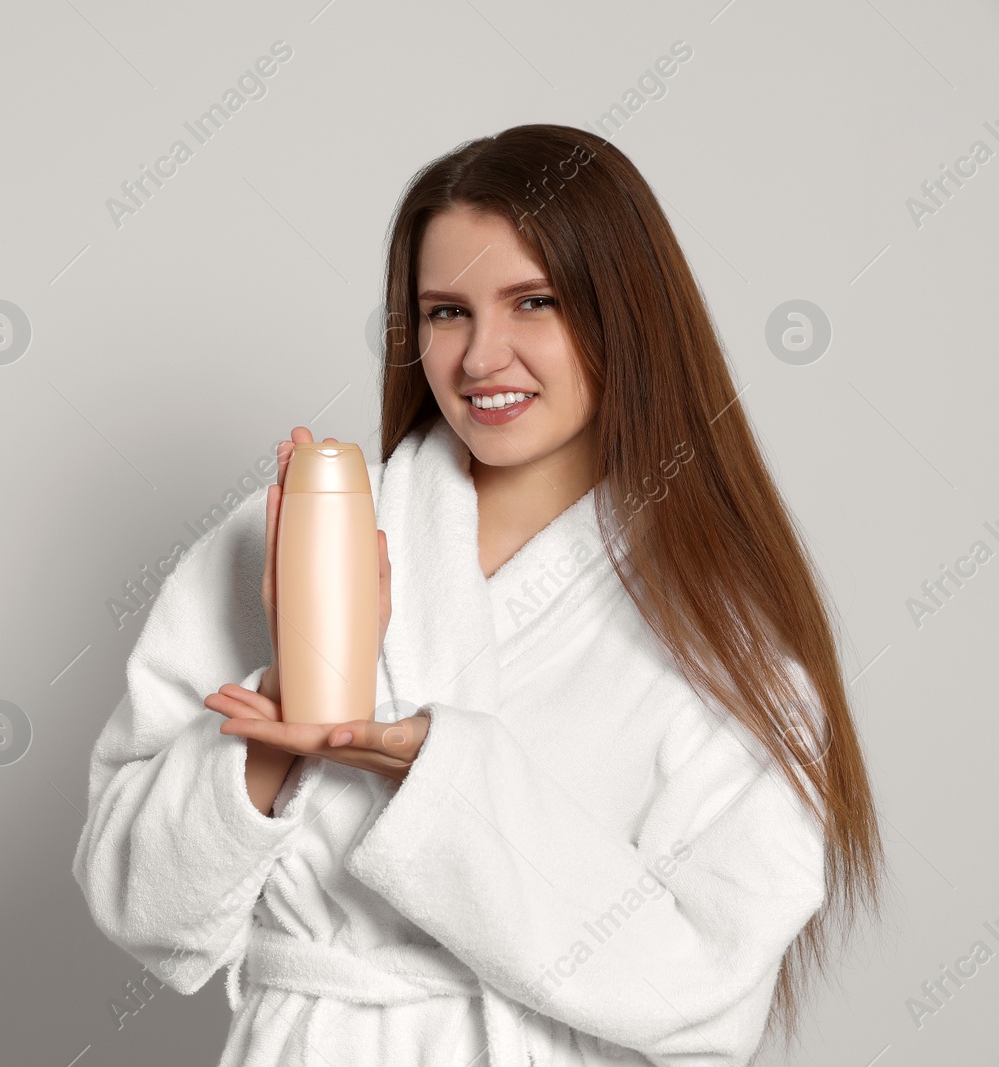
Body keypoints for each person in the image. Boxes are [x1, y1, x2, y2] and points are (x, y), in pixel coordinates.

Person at [72, 124, 882, 1067]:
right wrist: (289, 701)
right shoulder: (287, 536)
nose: (481, 356)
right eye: (447, 312)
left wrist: (433, 776)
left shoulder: (719, 629)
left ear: (626, 313)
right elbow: (136, 898)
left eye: (532, 302)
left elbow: (705, 990)